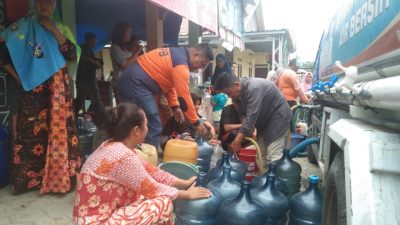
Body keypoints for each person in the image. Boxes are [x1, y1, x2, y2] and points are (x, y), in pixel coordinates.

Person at [73, 103, 211, 224]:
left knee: (145, 195)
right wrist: (187, 194)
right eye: (146, 124)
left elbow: (152, 171)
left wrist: (185, 183)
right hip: (98, 221)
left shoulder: (113, 146)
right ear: (136, 130)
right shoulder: (122, 155)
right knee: (163, 202)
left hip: (90, 218)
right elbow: (153, 188)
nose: (148, 127)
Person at [0, 0, 81, 194]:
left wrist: (52, 28)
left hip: (58, 91)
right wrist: (18, 78)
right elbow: (2, 53)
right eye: (41, 2)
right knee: (31, 135)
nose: (45, 6)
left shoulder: (61, 27)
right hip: (32, 91)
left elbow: (71, 54)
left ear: (54, 5)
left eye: (49, 2)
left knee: (59, 133)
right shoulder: (21, 27)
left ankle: (60, 179)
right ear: (34, 4)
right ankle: (29, 182)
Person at [117, 43, 214, 148]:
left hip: (129, 80)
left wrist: (175, 107)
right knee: (153, 124)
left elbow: (170, 85)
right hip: (135, 83)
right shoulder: (181, 66)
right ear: (196, 55)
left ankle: (128, 154)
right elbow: (184, 98)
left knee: (132, 122)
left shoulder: (177, 55)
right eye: (202, 63)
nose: (201, 68)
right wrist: (196, 122)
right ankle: (148, 158)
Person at [214, 72, 292, 170]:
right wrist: (246, 131)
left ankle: (274, 183)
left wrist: (237, 141)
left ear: (236, 85)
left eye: (228, 93)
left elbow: (251, 116)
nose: (229, 96)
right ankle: (264, 181)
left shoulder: (253, 88)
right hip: (264, 121)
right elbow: (242, 114)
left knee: (273, 155)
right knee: (261, 155)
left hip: (278, 117)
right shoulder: (238, 94)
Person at [74, 32, 105, 125]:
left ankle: (72, 117)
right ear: (92, 39)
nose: (95, 42)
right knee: (97, 100)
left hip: (81, 78)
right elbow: (86, 59)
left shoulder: (84, 47)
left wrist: (97, 61)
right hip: (87, 79)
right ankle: (104, 121)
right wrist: (97, 64)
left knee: (80, 99)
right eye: (95, 40)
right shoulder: (86, 47)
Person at [109, 22, 138, 104]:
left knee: (130, 106)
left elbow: (130, 61)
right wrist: (137, 52)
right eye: (128, 32)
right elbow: (125, 65)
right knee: (123, 108)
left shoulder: (124, 47)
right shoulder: (115, 47)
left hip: (128, 81)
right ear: (121, 33)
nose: (129, 34)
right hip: (120, 81)